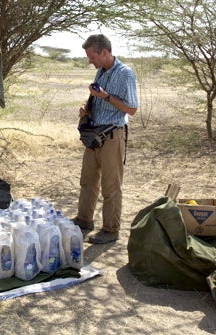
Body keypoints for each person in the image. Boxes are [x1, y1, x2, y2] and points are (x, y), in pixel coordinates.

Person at [73, 34, 138, 244]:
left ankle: (110, 230)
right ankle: (84, 221)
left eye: (92, 56)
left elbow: (132, 108)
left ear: (104, 52)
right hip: (94, 135)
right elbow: (97, 100)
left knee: (111, 186)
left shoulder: (125, 74)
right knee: (88, 181)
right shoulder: (100, 73)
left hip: (112, 136)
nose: (90, 61)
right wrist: (87, 109)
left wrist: (106, 96)